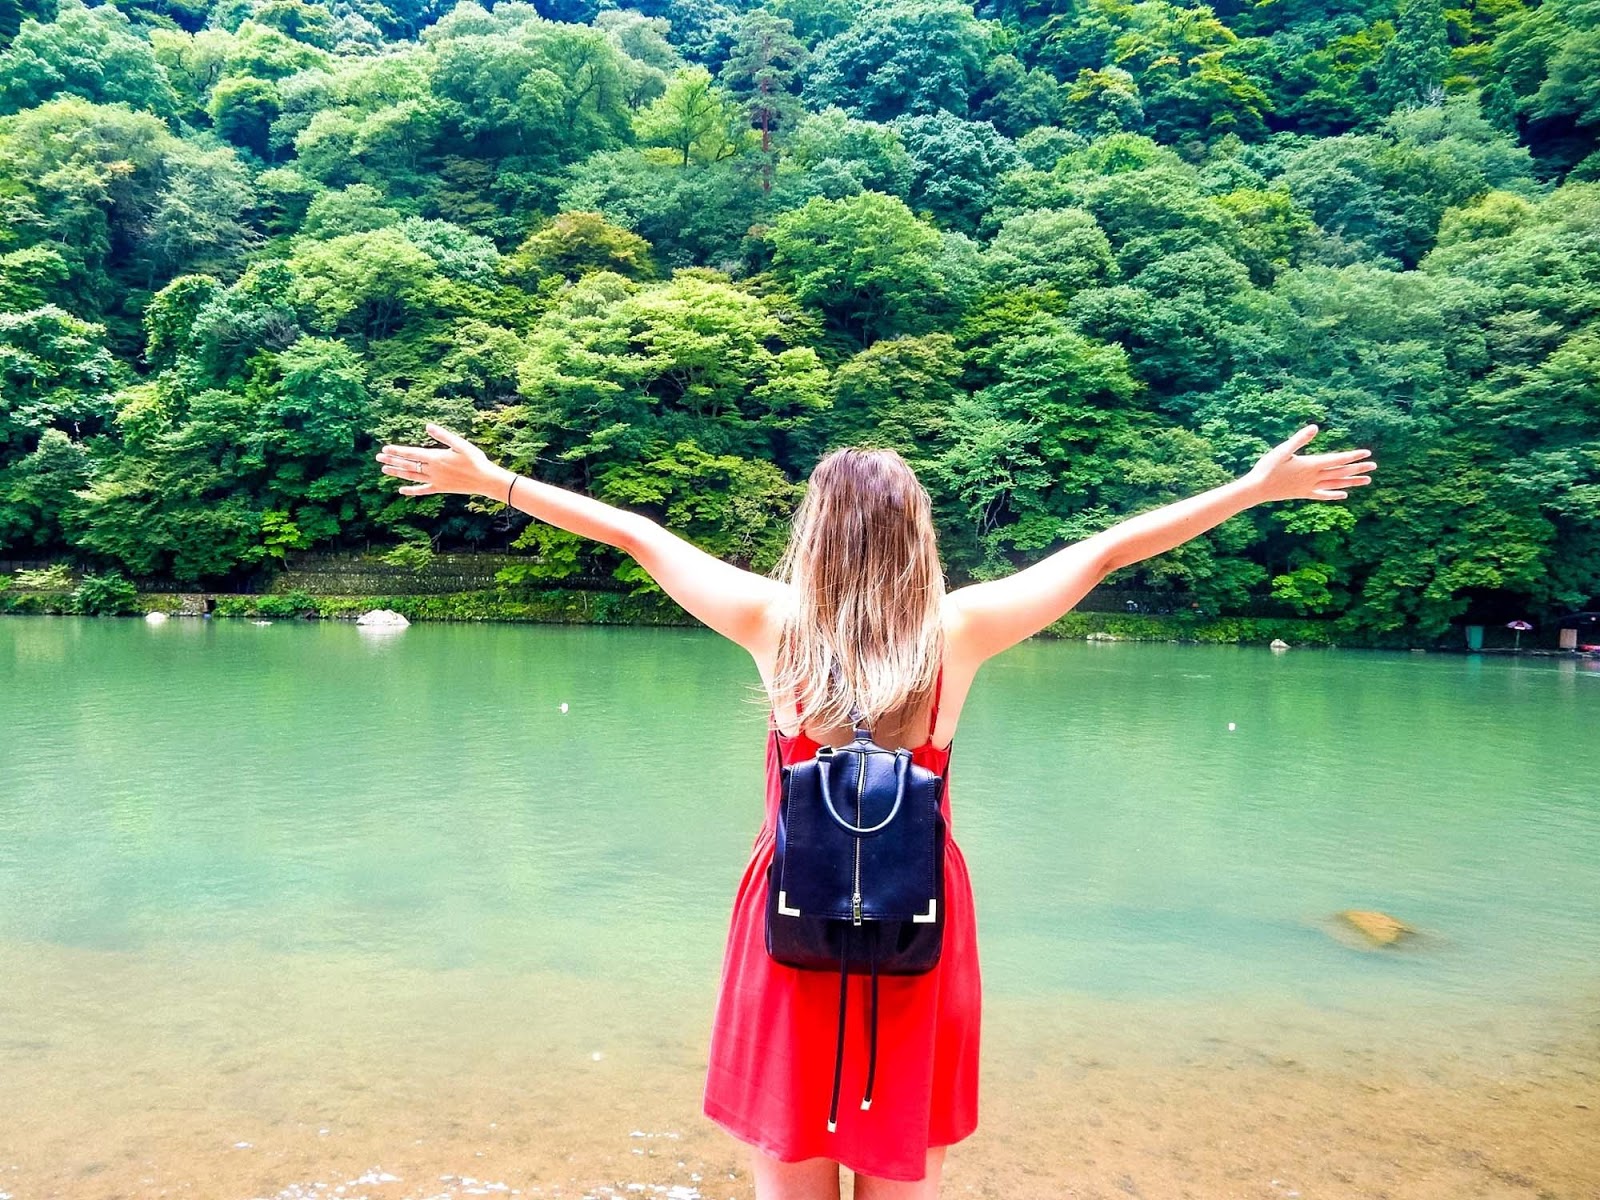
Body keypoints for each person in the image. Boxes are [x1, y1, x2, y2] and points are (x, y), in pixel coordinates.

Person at [374, 422, 1376, 1199]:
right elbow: (1107, 553)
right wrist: (1253, 489)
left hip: (792, 915)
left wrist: (494, 482)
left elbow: (633, 535)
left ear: (812, 533)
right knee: (893, 1154)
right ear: (916, 533)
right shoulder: (959, 631)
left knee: (787, 1139)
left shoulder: (774, 624)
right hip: (916, 916)